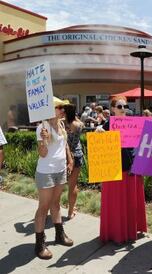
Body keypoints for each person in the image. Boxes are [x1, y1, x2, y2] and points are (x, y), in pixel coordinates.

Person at [97, 96, 147, 244]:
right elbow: (98, 138)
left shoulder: (133, 123)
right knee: (116, 204)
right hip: (115, 171)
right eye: (119, 106)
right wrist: (99, 130)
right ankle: (117, 233)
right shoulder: (108, 124)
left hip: (132, 169)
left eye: (125, 106)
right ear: (112, 109)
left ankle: (131, 230)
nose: (123, 109)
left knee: (130, 202)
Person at [34, 97, 74, 260]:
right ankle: (39, 244)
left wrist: (70, 160)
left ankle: (59, 234)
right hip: (46, 172)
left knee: (56, 204)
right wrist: (43, 141)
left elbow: (64, 144)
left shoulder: (61, 125)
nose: (63, 110)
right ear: (51, 110)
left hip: (60, 170)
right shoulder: (42, 128)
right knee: (43, 207)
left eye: (63, 108)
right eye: (60, 107)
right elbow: (42, 154)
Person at [63, 104, 84, 219]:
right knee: (73, 184)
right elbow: (79, 122)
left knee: (58, 184)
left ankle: (52, 209)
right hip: (77, 154)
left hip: (65, 155)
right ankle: (70, 212)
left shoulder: (62, 124)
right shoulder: (79, 124)